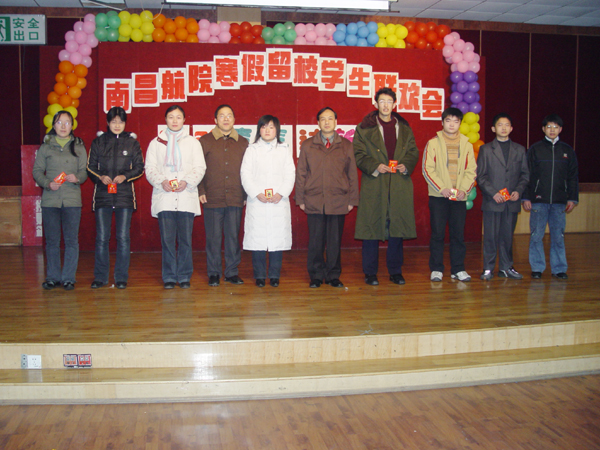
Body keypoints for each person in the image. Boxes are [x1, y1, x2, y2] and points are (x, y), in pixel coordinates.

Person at [353, 87, 419, 286]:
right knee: (371, 227)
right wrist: (375, 165)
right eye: (381, 101)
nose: (385, 105)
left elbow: (413, 151)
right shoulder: (364, 128)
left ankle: (395, 271)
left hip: (399, 183)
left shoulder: (404, 128)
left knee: (397, 228)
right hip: (375, 182)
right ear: (375, 104)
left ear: (395, 104)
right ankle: (370, 272)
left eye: (389, 101)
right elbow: (358, 153)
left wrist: (406, 165)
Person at [295, 107, 359, 288]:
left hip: (338, 200)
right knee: (315, 241)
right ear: (318, 123)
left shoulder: (346, 145)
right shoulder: (308, 145)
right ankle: (316, 275)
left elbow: (352, 174)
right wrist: (300, 199)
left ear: (336, 122)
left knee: (334, 242)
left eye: (330, 118)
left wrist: (352, 200)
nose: (327, 122)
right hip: (314, 200)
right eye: (323, 119)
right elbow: (301, 173)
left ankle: (333, 275)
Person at [145, 105, 206, 289]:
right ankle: (169, 276)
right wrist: (162, 181)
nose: (174, 120)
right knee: (168, 240)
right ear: (165, 119)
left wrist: (187, 181)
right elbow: (150, 168)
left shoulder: (193, 142)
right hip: (165, 197)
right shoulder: (156, 143)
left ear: (184, 120)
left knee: (186, 240)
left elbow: (200, 167)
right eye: (171, 117)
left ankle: (185, 276)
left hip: (186, 196)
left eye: (178, 117)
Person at [87, 107, 144, 289]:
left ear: (125, 123)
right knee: (102, 238)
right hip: (103, 196)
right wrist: (100, 177)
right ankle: (101, 277)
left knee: (123, 238)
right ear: (108, 123)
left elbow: (139, 168)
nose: (117, 125)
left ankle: (121, 278)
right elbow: (90, 167)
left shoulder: (132, 143)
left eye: (120, 122)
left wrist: (125, 176)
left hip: (124, 197)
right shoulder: (98, 142)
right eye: (113, 122)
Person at [33, 110, 87, 290]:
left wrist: (77, 178)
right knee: (52, 241)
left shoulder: (79, 146)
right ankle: (52, 277)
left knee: (71, 241)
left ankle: (69, 278)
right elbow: (37, 171)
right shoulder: (46, 146)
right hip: (51, 200)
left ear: (72, 125)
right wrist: (47, 184)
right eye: (59, 122)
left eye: (67, 123)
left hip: (72, 200)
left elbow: (84, 171)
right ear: (53, 125)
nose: (63, 126)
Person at [422, 107, 477, 282]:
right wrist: (442, 188)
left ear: (460, 123)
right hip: (439, 196)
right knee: (437, 234)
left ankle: (458, 269)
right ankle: (436, 269)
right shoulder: (433, 143)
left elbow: (471, 171)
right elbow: (427, 169)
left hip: (459, 197)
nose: (452, 124)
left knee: (458, 235)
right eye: (448, 121)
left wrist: (464, 191)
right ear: (442, 122)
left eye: (455, 121)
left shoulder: (467, 145)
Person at [240, 115, 295, 287]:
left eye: (271, 127)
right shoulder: (252, 150)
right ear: (259, 130)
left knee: (277, 239)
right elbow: (245, 174)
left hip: (278, 201)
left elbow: (290, 174)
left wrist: (281, 193)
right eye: (264, 127)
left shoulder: (284, 149)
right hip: (258, 201)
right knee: (258, 239)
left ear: (277, 130)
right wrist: (256, 193)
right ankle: (259, 275)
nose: (267, 130)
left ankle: (274, 275)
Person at [522, 114, 579, 280]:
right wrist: (526, 197)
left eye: (555, 127)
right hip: (538, 201)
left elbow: (573, 176)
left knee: (558, 237)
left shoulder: (567, 150)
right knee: (536, 236)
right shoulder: (535, 149)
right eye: (549, 127)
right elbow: (527, 175)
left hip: (560, 202)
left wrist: (572, 198)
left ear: (560, 129)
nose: (552, 130)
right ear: (543, 129)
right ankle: (537, 268)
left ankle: (559, 268)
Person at [198, 105, 249, 287]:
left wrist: (245, 194)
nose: (226, 119)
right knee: (213, 238)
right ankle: (213, 273)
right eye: (221, 116)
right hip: (212, 196)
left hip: (235, 196)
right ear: (215, 120)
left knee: (233, 237)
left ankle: (231, 272)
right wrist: (201, 191)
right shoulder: (205, 141)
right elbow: (198, 168)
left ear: (234, 119)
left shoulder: (243, 143)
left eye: (229, 116)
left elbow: (248, 171)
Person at [477, 113, 529, 281]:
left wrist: (518, 191)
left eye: (507, 125)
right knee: (490, 237)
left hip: (511, 201)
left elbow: (525, 175)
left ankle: (506, 267)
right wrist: (494, 193)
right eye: (500, 125)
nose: (504, 128)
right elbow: (481, 176)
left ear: (511, 128)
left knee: (507, 237)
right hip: (493, 201)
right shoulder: (486, 149)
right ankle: (488, 268)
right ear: (493, 128)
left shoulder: (520, 150)